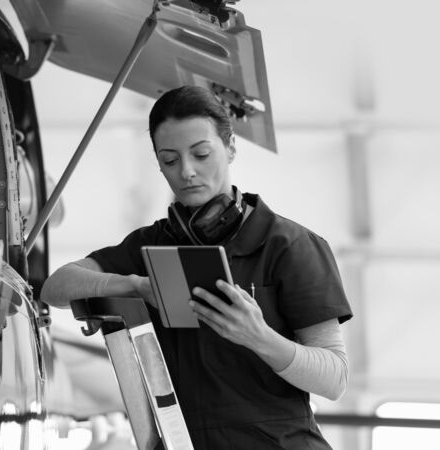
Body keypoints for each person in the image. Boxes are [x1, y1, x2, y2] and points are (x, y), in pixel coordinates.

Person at [42, 85, 353, 449]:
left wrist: (260, 337)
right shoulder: (151, 244)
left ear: (231, 147)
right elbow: (56, 287)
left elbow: (334, 378)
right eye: (170, 160)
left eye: (201, 154)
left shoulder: (290, 246)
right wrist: (134, 286)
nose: (187, 172)